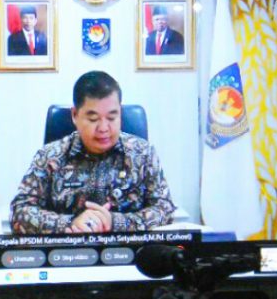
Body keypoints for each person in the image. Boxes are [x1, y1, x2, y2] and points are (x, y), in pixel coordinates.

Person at [10, 71, 175, 234]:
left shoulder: (143, 154)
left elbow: (164, 208)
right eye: (93, 119)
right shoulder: (50, 157)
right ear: (75, 115)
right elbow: (19, 211)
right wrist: (69, 223)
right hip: (66, 249)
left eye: (112, 118)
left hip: (130, 249)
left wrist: (116, 222)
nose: (103, 128)